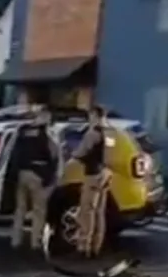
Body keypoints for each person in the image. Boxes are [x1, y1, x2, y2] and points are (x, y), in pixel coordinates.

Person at [9, 106, 60, 254]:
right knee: (39, 210)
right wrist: (50, 177)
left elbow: (14, 154)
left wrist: (14, 173)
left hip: (22, 173)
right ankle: (35, 242)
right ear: (46, 117)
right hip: (38, 175)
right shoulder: (46, 133)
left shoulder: (22, 131)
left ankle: (15, 240)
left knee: (20, 209)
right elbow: (54, 155)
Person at [70, 105, 112, 258]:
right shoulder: (111, 132)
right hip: (106, 174)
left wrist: (72, 154)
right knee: (100, 213)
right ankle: (97, 246)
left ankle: (83, 248)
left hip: (93, 174)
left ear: (94, 115)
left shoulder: (93, 133)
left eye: (90, 115)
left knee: (87, 212)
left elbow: (81, 152)